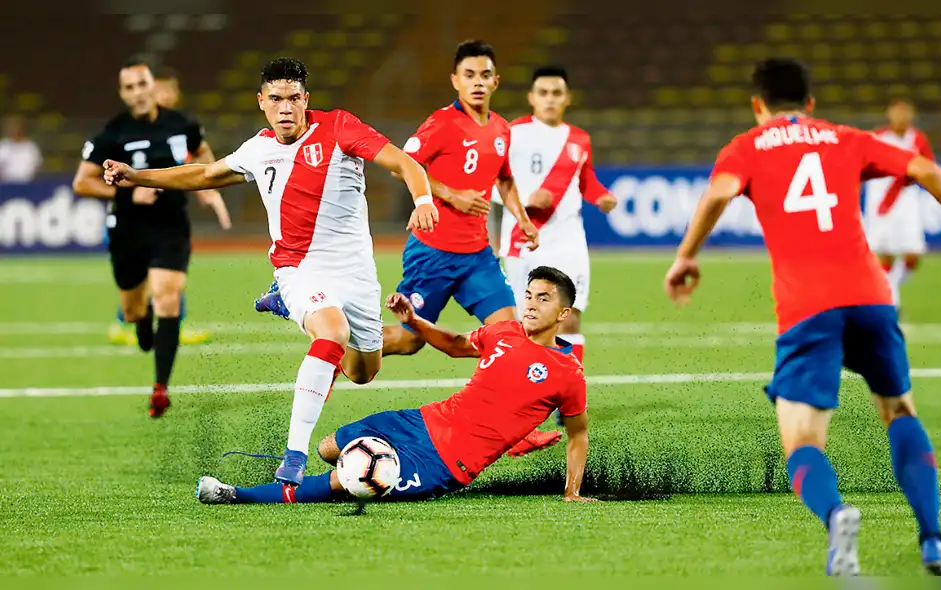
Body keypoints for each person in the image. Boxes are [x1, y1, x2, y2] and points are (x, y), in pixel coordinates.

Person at [663, 57, 941, 576]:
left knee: (801, 441)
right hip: (871, 295)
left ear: (758, 105)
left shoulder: (745, 146)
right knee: (900, 412)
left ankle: (838, 513)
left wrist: (687, 255)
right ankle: (933, 540)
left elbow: (720, 192)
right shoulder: (846, 137)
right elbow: (926, 170)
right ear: (811, 103)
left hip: (807, 307)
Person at [102, 57, 438, 486]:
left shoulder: (339, 128)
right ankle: (294, 456)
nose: (285, 108)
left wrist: (423, 199)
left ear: (306, 100)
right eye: (276, 99)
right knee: (331, 332)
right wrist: (135, 176)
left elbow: (403, 163)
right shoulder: (258, 149)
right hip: (299, 269)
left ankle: (284, 306)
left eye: (293, 98)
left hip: (354, 272)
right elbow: (203, 174)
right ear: (262, 102)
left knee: (362, 372)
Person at [254, 40, 559, 458]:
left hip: (478, 257)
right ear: (455, 80)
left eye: (484, 75)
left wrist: (522, 218)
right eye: (468, 75)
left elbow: (503, 179)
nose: (477, 83)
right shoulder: (440, 124)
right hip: (432, 253)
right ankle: (334, 342)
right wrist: (447, 195)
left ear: (496, 81)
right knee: (408, 341)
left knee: (512, 336)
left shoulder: (502, 129)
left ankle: (517, 430)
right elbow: (408, 165)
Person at [196, 266, 593, 505]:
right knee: (328, 447)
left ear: (563, 313)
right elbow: (456, 346)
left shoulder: (567, 372)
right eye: (527, 296)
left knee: (350, 477)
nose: (529, 304)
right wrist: (415, 322)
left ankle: (236, 495)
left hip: (445, 463)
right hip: (423, 421)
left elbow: (578, 435)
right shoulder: (504, 330)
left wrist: (571, 490)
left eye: (542, 299)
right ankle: (320, 480)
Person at [73, 56, 230, 417]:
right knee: (133, 310)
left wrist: (211, 191)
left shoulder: (184, 124)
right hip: (128, 229)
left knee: (168, 298)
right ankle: (142, 322)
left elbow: (206, 163)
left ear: (152, 86)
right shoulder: (111, 133)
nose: (138, 93)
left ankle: (161, 387)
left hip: (171, 226)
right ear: (123, 94)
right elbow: (82, 182)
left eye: (142, 84)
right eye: (129, 88)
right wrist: (127, 193)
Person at [498, 65, 618, 364]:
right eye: (543, 93)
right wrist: (526, 199)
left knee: (571, 317)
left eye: (556, 93)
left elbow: (586, 181)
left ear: (567, 98)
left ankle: (569, 398)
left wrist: (601, 196)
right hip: (524, 240)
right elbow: (490, 183)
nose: (550, 99)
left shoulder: (579, 139)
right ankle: (530, 392)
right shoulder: (513, 134)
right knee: (530, 322)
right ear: (531, 97)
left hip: (568, 240)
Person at [106, 65, 224, 347]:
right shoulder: (127, 130)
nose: (165, 95)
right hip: (132, 220)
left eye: (170, 90)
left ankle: (169, 321)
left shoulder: (178, 129)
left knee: (166, 272)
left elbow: (192, 167)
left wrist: (207, 191)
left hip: (164, 219)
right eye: (161, 89)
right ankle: (129, 319)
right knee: (146, 274)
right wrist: (131, 190)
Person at [865, 98, 935, 308]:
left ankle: (889, 288)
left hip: (906, 200)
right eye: (897, 113)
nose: (901, 117)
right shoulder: (878, 137)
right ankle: (892, 302)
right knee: (884, 252)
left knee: (914, 252)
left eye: (905, 113)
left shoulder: (918, 140)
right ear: (889, 114)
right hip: (879, 199)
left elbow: (929, 168)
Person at [0, 115, 42, 182]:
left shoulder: (31, 147)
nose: (15, 130)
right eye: (13, 128)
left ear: (22, 129)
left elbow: (36, 166)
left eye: (18, 128)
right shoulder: (3, 146)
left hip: (27, 184)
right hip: (5, 184)